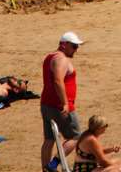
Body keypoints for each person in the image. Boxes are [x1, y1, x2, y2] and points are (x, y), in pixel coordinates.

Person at [40, 32, 83, 168]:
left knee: (49, 139)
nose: (76, 50)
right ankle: (53, 164)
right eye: (74, 46)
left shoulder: (49, 57)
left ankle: (45, 168)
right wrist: (65, 103)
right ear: (64, 45)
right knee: (76, 137)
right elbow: (58, 81)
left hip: (46, 104)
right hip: (60, 106)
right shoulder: (61, 60)